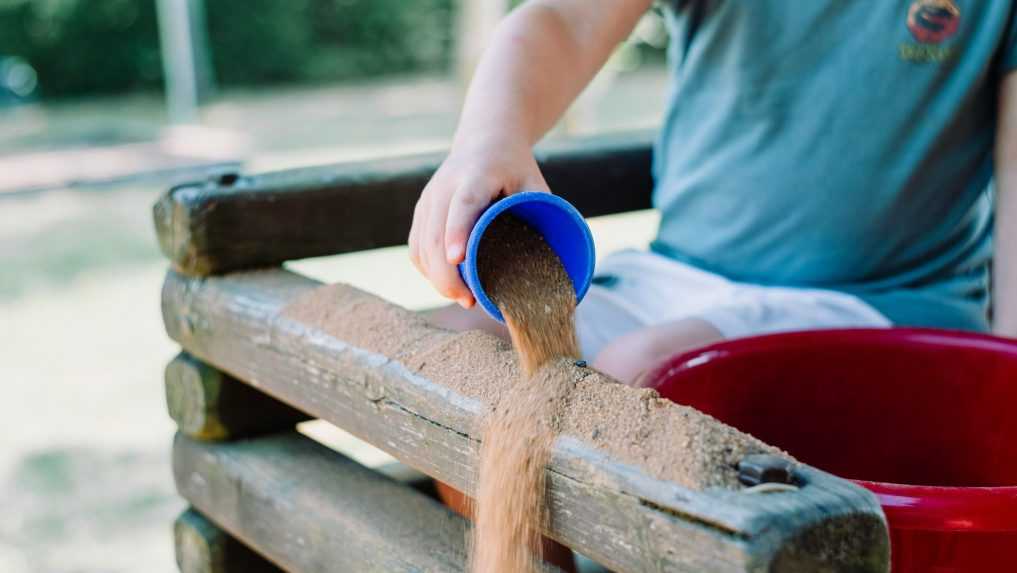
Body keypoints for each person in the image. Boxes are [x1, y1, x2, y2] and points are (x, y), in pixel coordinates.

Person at [409, 0, 1017, 386]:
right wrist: (488, 139)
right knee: (458, 353)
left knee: (645, 371)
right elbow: (566, 20)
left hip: (879, 299)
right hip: (677, 276)